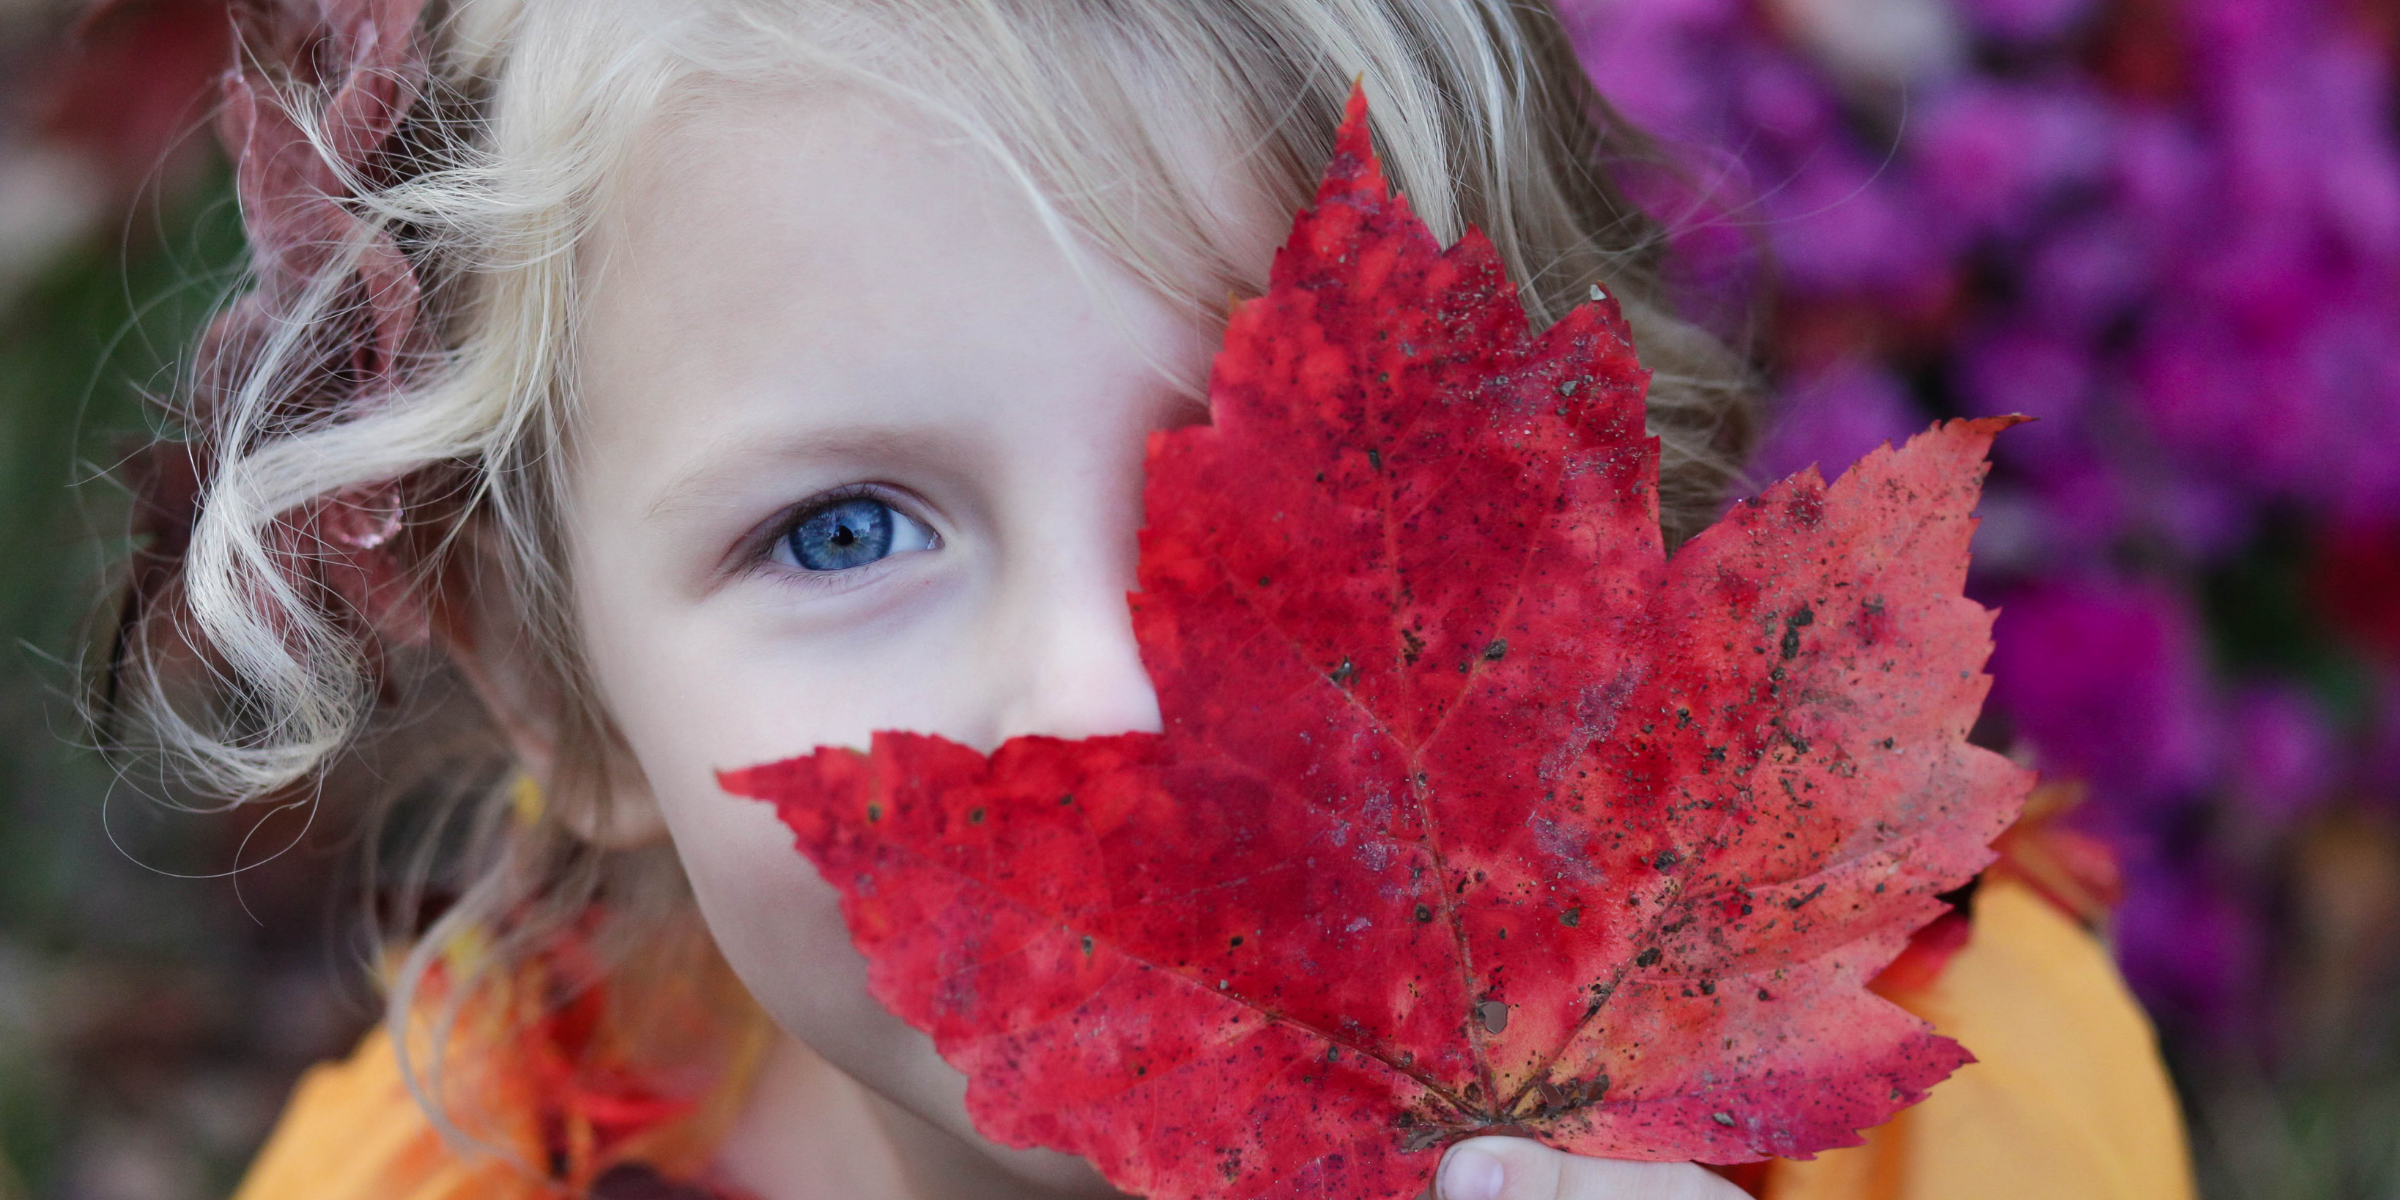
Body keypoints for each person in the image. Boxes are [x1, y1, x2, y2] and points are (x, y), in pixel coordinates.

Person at [99, 1, 2194, 1198]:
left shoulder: (1955, 1115)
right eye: (842, 533)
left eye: (1284, 465)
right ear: (551, 693)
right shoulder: (433, 1174)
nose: (1116, 689)